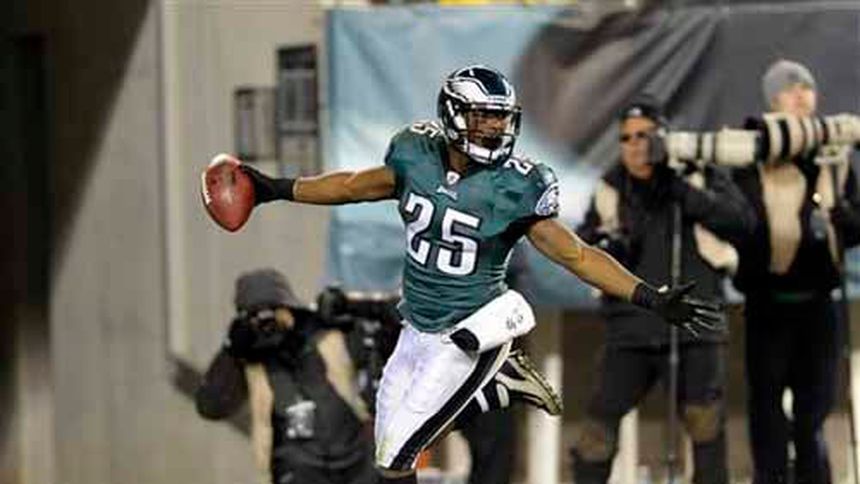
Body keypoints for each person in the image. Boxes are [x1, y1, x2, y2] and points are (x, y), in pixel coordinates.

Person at [238, 65, 722, 484]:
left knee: (403, 446)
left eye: (500, 117)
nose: (494, 126)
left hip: (476, 322)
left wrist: (650, 296)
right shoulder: (415, 154)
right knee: (387, 455)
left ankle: (497, 375)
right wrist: (274, 188)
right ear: (452, 114)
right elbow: (350, 186)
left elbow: (575, 255)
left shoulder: (515, 185)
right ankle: (496, 387)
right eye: (483, 116)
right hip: (417, 325)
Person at [569, 96, 753, 484]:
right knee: (596, 433)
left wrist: (683, 191)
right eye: (627, 138)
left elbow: (742, 223)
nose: (636, 145)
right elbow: (584, 247)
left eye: (645, 136)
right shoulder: (611, 186)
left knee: (705, 423)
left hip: (695, 325)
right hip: (629, 329)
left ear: (664, 136)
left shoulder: (696, 174)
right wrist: (608, 242)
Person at [732, 59, 860, 484]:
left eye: (806, 87)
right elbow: (742, 221)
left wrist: (843, 219)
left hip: (819, 303)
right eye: (789, 89)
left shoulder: (834, 155)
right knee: (767, 409)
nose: (801, 95)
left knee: (814, 411)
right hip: (769, 303)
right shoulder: (753, 152)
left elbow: (854, 224)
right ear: (773, 101)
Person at [195, 268, 377, 484]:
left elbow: (383, 353)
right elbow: (211, 407)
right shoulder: (249, 359)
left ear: (290, 307)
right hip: (294, 470)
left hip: (357, 462)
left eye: (272, 311)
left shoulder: (327, 335)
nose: (267, 323)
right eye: (256, 316)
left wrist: (351, 312)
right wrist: (231, 351)